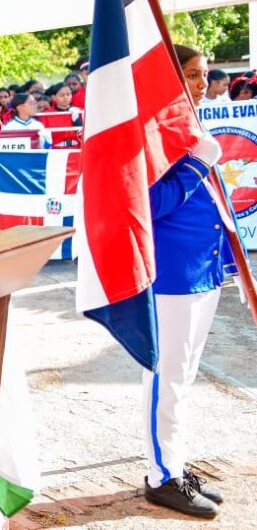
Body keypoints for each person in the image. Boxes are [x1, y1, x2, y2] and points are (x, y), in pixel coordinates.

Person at [139, 43, 231, 519]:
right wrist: (197, 163)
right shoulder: (151, 131)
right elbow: (149, 205)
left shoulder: (189, 125)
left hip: (203, 270)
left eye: (204, 74)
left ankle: (171, 463)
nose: (201, 83)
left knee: (183, 379)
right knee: (166, 379)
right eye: (192, 74)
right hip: (173, 274)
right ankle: (161, 477)